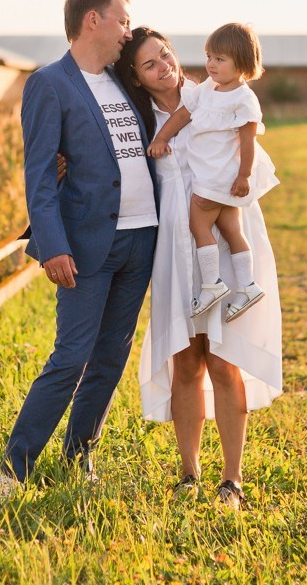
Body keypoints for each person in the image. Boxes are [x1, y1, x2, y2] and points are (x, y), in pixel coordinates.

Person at [0, 0, 158, 502]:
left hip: (142, 238)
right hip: (86, 246)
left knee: (110, 360)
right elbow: (39, 173)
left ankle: (79, 455)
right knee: (71, 358)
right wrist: (53, 244)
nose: (129, 31)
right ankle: (13, 471)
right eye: (122, 20)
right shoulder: (49, 84)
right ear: (92, 20)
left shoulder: (125, 80)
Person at [118, 27, 282, 510]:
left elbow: (254, 166)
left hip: (221, 236)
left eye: (165, 55)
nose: (164, 66)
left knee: (223, 358)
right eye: (150, 64)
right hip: (173, 242)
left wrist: (232, 203)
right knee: (186, 360)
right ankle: (189, 473)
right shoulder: (138, 119)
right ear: (136, 77)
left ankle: (232, 480)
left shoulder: (214, 95)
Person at [148, 23, 279, 323]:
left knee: (198, 225)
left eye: (220, 59)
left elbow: (248, 141)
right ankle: (247, 286)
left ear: (242, 63)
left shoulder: (243, 99)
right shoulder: (208, 88)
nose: (211, 64)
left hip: (215, 178)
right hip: (222, 179)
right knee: (232, 230)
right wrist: (162, 137)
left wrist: (244, 176)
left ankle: (212, 284)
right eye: (209, 57)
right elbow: (183, 114)